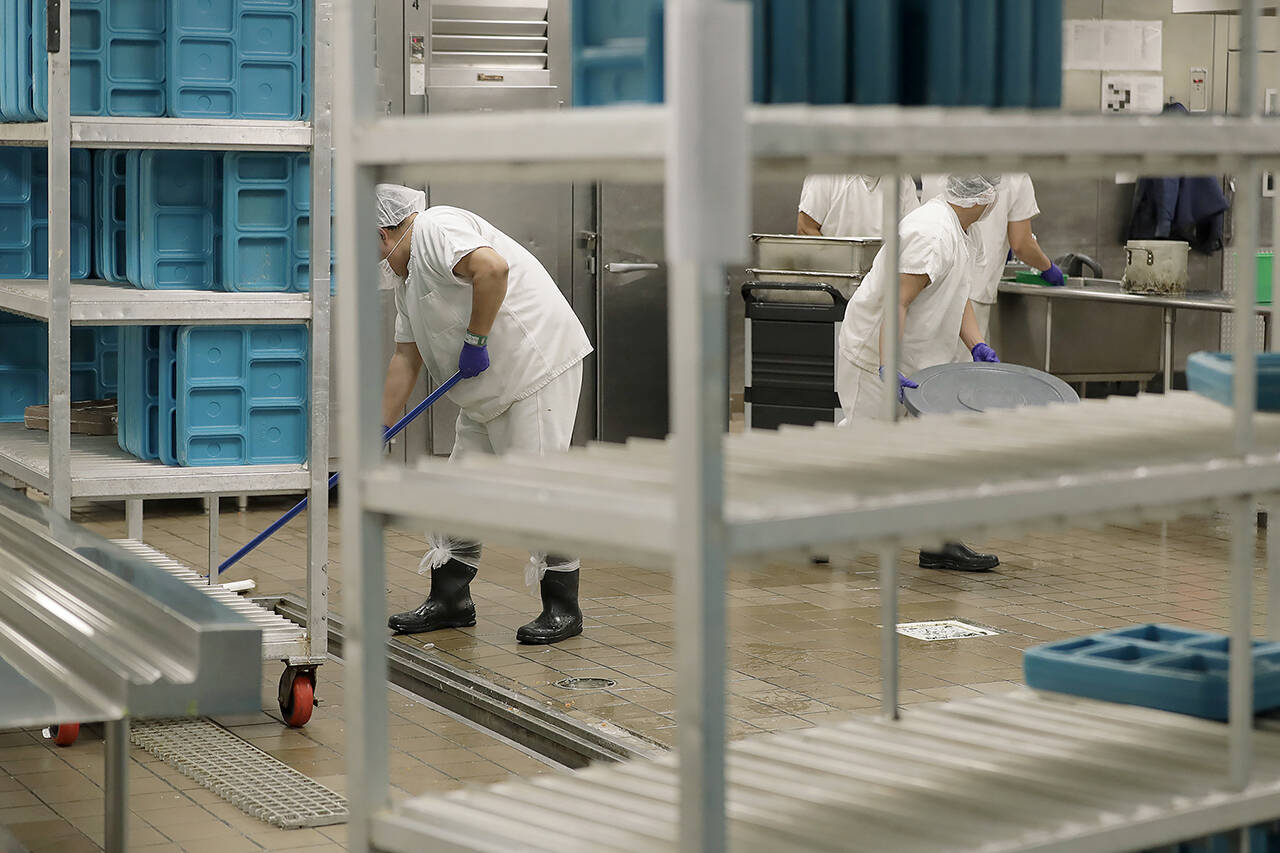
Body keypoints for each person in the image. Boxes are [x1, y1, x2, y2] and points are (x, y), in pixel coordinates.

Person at [375, 184, 594, 644]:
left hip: (534, 368)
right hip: (483, 389)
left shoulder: (435, 227)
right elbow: (405, 358)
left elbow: (492, 268)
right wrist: (379, 426)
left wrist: (475, 340)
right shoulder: (407, 280)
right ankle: (452, 600)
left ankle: (563, 608)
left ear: (382, 232)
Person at [835, 175, 1003, 573]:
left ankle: (937, 541)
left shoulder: (962, 231)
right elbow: (899, 300)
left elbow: (957, 291)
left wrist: (976, 343)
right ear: (984, 195)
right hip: (875, 356)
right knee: (864, 447)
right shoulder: (931, 232)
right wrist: (888, 365)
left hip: (918, 363)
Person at [922, 173, 1062, 357]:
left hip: (930, 283)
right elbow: (1021, 244)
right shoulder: (1016, 175)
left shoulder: (935, 158)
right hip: (975, 286)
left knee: (929, 365)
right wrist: (1048, 268)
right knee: (960, 373)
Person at [797, 174, 920, 238]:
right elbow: (806, 229)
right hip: (834, 277)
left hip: (883, 276)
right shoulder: (827, 173)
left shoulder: (902, 179)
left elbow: (913, 233)